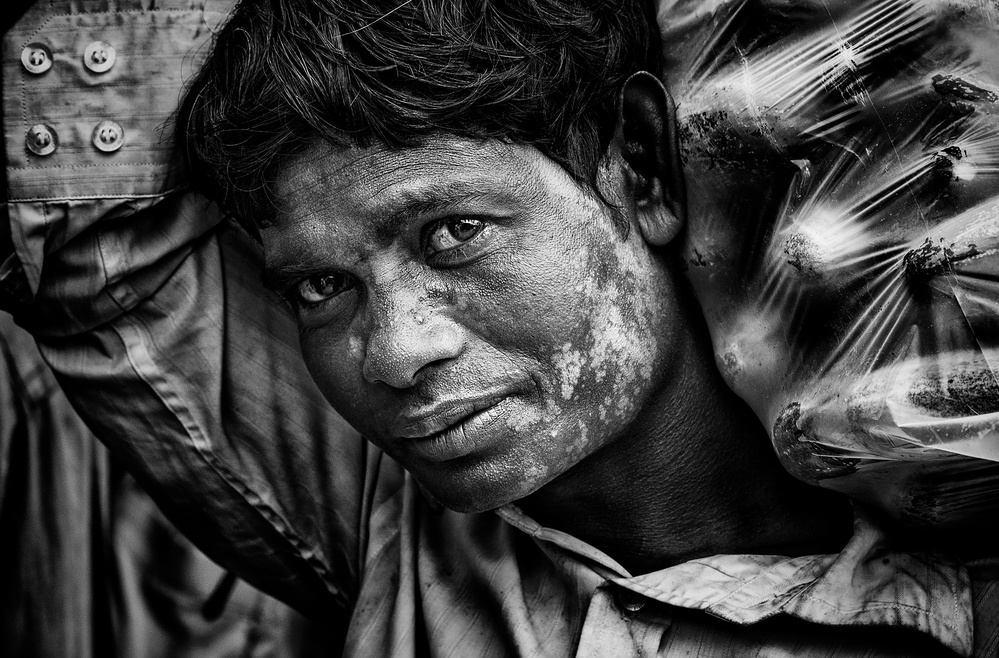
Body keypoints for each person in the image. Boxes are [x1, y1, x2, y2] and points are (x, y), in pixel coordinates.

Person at [4, 0, 998, 656]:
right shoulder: (382, 506)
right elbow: (88, 211)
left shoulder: (959, 567)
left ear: (641, 167)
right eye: (319, 286)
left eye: (455, 232)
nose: (395, 352)